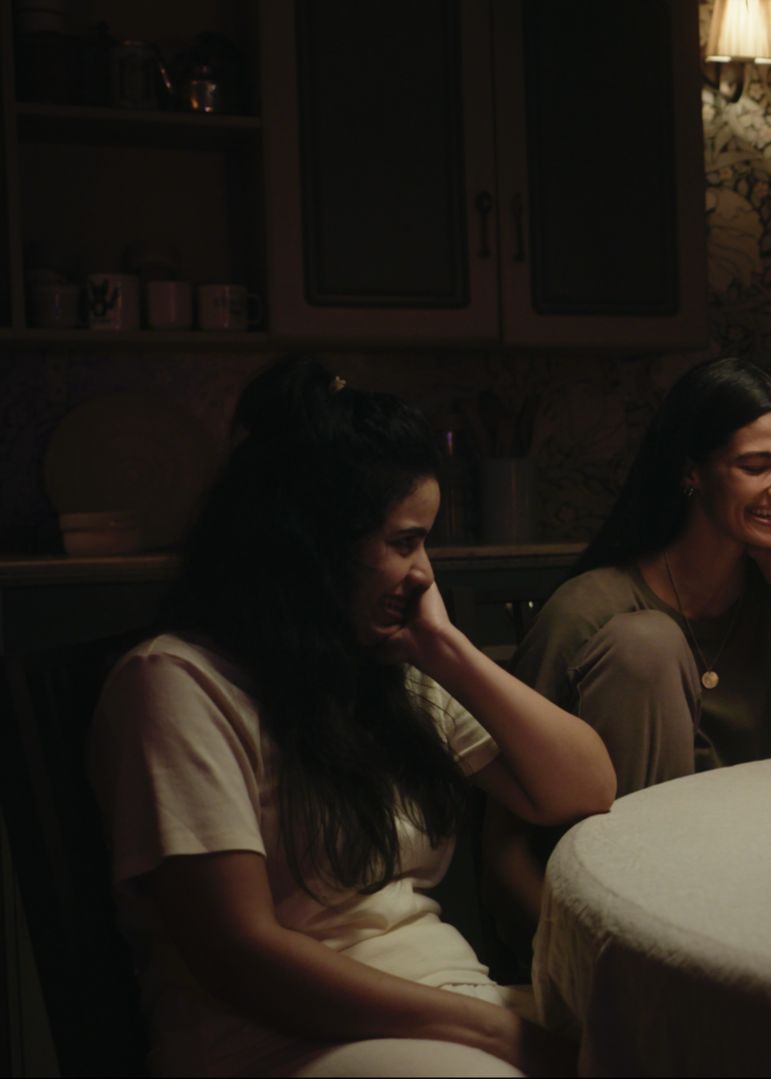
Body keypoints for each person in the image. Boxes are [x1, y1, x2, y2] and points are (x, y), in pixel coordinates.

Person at [89, 357, 617, 1077]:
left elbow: (582, 788)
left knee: (675, 1030)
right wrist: (498, 1034)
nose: (425, 571)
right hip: (277, 1043)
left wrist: (447, 648)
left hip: (442, 1009)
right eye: (404, 542)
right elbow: (240, 955)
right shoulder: (178, 681)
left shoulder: (386, 662)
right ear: (314, 543)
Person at [482, 356, 771, 963]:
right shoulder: (588, 611)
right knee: (647, 644)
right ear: (692, 472)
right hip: (615, 927)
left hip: (757, 903)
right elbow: (503, 848)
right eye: (755, 466)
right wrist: (594, 956)